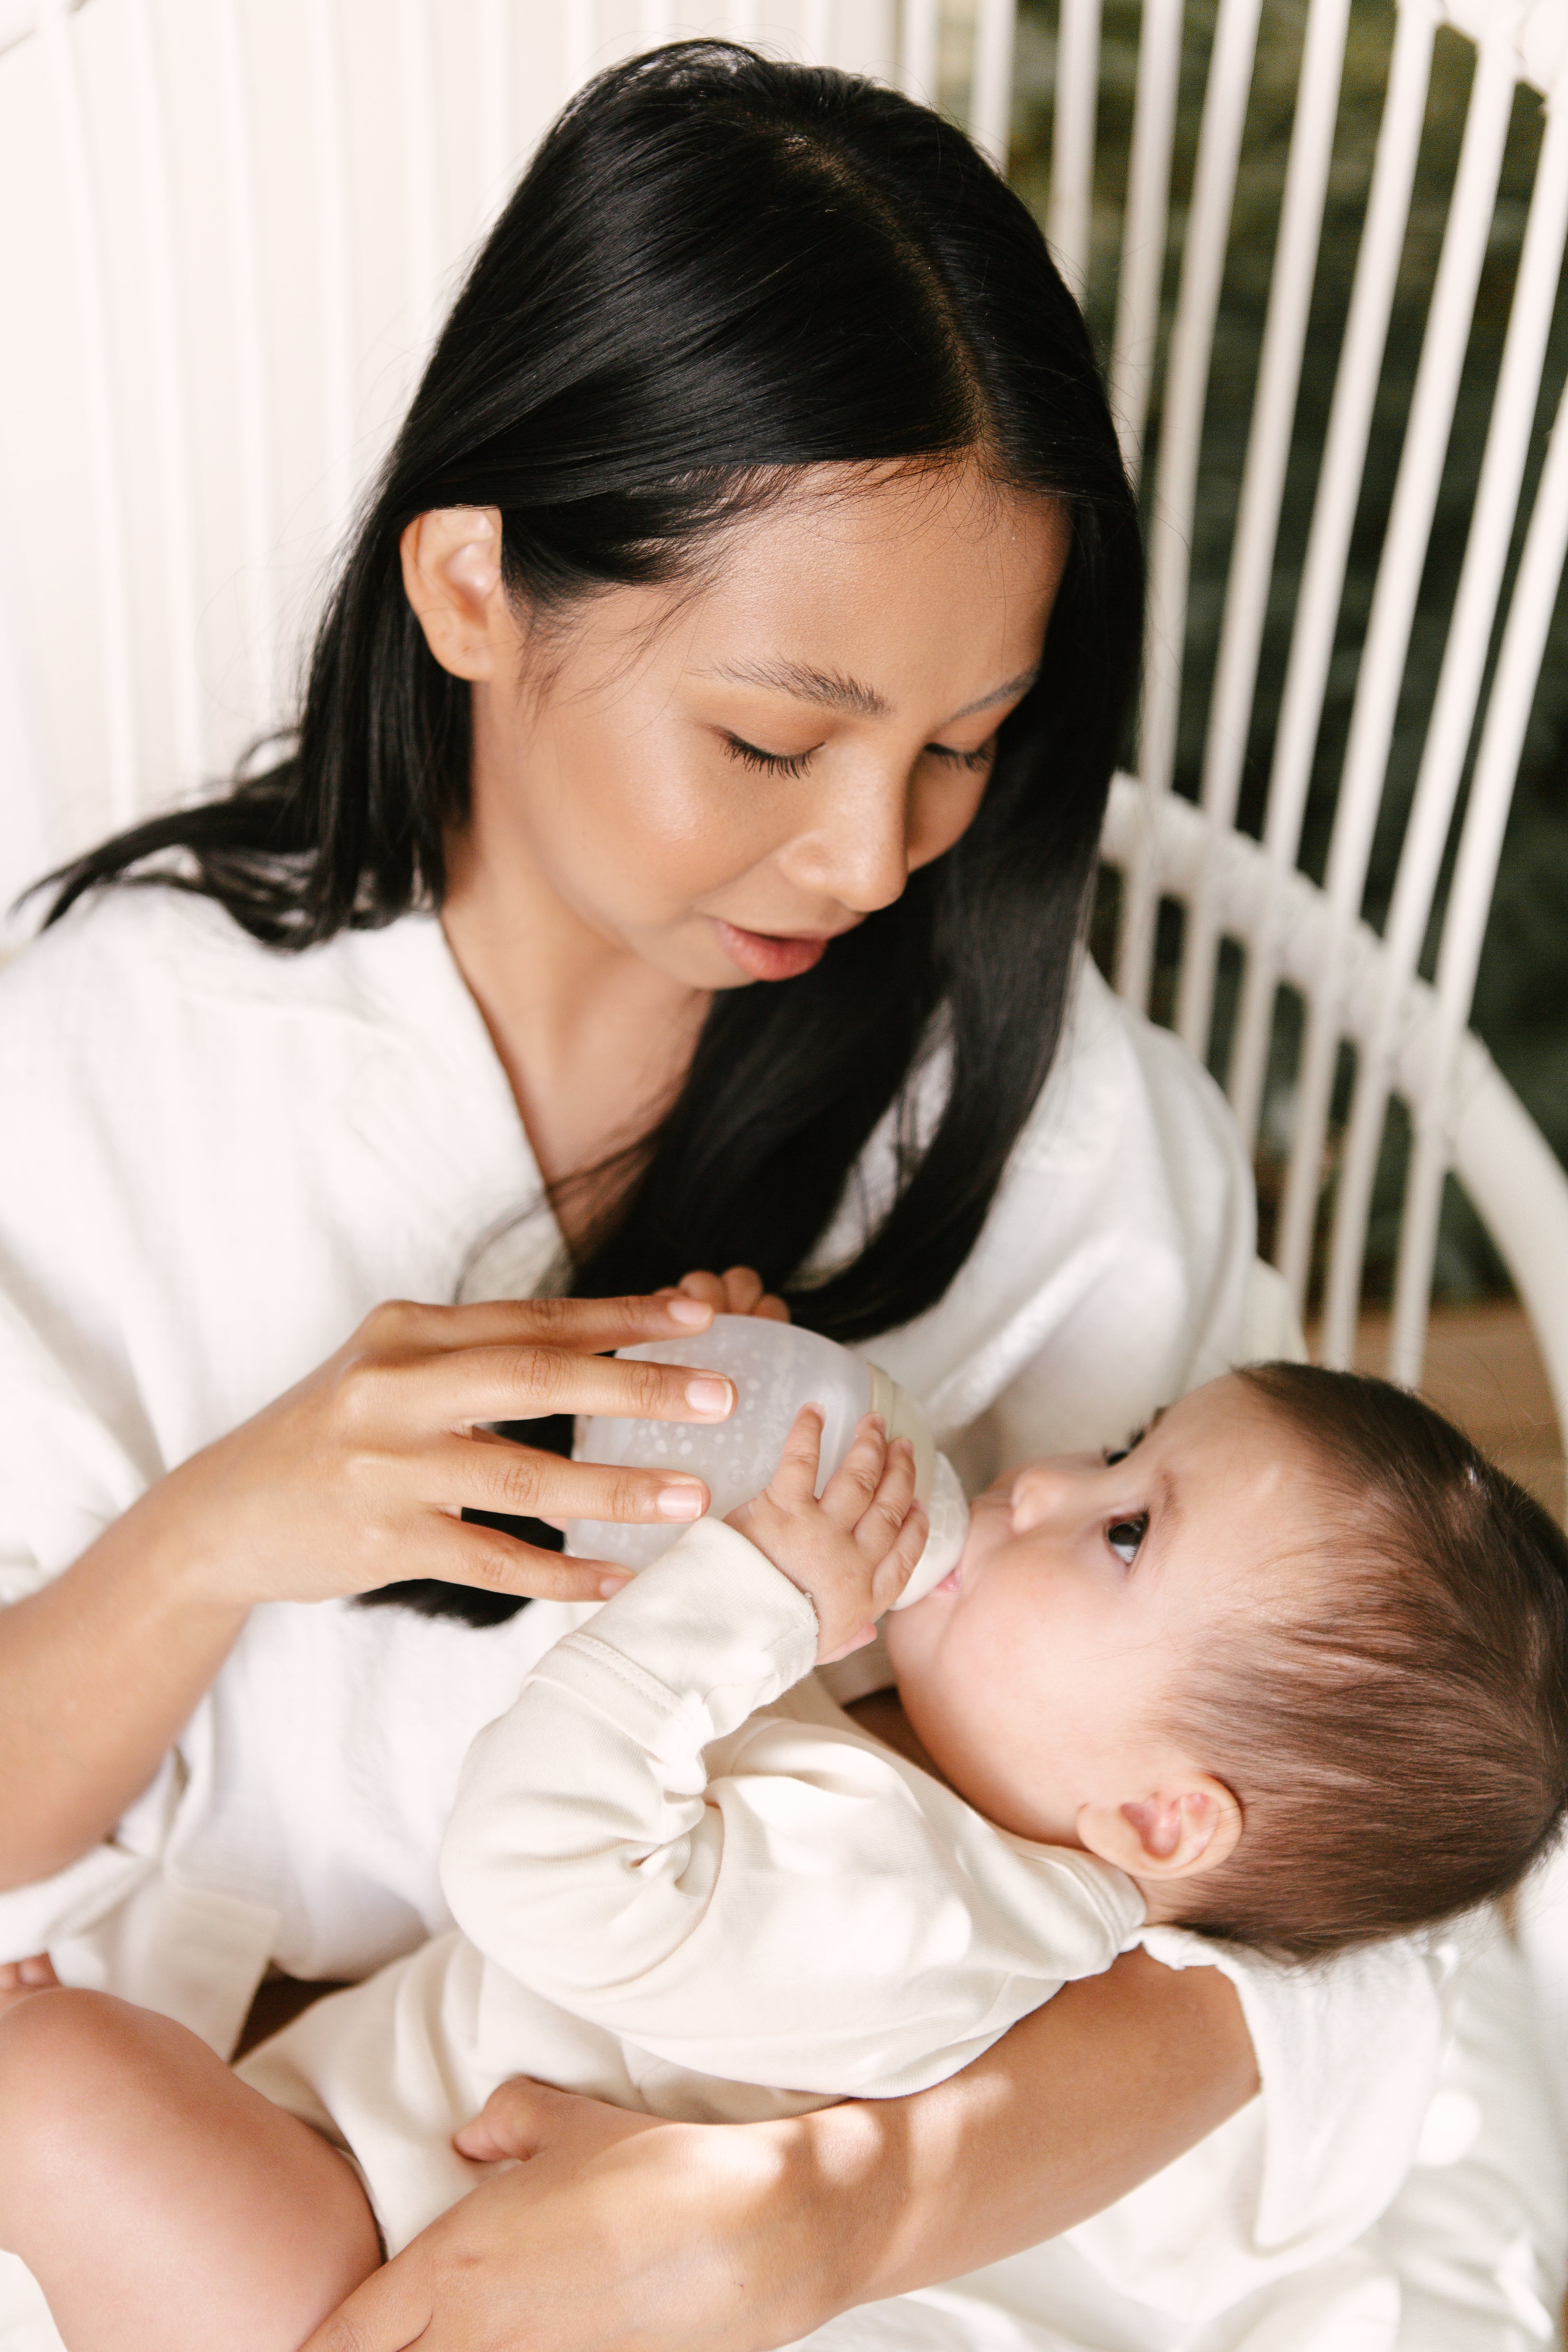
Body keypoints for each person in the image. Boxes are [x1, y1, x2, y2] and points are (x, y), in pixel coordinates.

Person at [0, 38, 1520, 2352]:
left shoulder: (1046, 1130)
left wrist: (822, 2216)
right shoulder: (126, 1054)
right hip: (225, 2170)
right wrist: (229, 1523)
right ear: (474, 585)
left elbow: (1320, 1904)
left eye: (965, 749)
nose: (871, 856)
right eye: (770, 738)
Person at [3, 1363, 1565, 2352]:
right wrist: (742, 1398)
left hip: (386, 2283)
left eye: (1125, 1530)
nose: (1036, 1484)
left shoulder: (914, 1916)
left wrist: (751, 1594)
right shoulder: (945, 1767)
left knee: (53, 2082)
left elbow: (528, 1861)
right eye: (1117, 1450)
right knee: (86, 2086)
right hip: (366, 2186)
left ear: (1163, 1821)